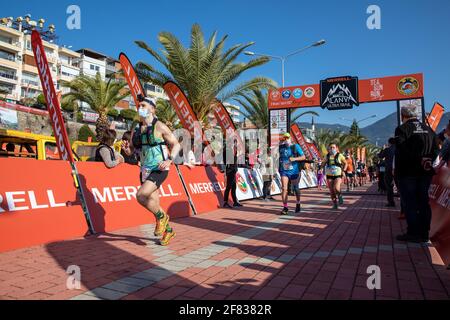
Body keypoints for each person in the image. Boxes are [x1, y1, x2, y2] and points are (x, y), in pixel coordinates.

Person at [130, 96, 181, 246]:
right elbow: (134, 150)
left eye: (144, 105)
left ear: (152, 109)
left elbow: (176, 144)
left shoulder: (160, 126)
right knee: (153, 203)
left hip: (159, 167)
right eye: (139, 106)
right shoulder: (137, 128)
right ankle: (169, 230)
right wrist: (128, 150)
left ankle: (162, 218)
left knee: (141, 195)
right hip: (145, 169)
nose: (141, 108)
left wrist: (169, 159)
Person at [394, 105, 439, 243]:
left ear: (403, 116)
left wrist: (415, 160)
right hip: (425, 172)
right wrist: (427, 160)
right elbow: (437, 149)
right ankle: (425, 233)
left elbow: (401, 149)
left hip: (408, 172)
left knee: (410, 202)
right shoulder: (429, 130)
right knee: (423, 202)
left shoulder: (402, 129)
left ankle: (413, 232)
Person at [278, 133, 305, 214]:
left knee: (296, 188)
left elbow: (303, 157)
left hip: (294, 171)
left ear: (290, 138)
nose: (286, 139)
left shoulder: (295, 146)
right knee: (284, 189)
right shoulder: (281, 147)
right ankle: (285, 207)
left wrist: (294, 158)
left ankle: (298, 203)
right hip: (284, 170)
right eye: (284, 138)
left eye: (287, 138)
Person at [322, 143, 347, 209]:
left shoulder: (340, 155)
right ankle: (335, 204)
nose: (332, 149)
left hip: (338, 174)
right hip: (329, 174)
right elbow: (323, 163)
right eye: (331, 147)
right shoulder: (327, 156)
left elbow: (345, 163)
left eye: (333, 147)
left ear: (336, 148)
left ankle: (340, 195)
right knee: (331, 191)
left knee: (336, 188)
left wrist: (344, 170)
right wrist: (320, 167)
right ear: (329, 149)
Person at [222, 140, 242, 208]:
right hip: (230, 171)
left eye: (236, 143)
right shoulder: (227, 150)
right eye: (234, 143)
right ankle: (225, 202)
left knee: (234, 187)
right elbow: (224, 159)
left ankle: (235, 202)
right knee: (228, 187)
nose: (235, 144)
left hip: (233, 171)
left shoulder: (234, 150)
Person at [378, 138, 396, 207]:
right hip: (398, 169)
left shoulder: (387, 149)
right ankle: (403, 207)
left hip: (389, 169)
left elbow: (380, 155)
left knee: (389, 186)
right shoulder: (400, 149)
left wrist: (383, 148)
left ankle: (391, 202)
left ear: (389, 143)